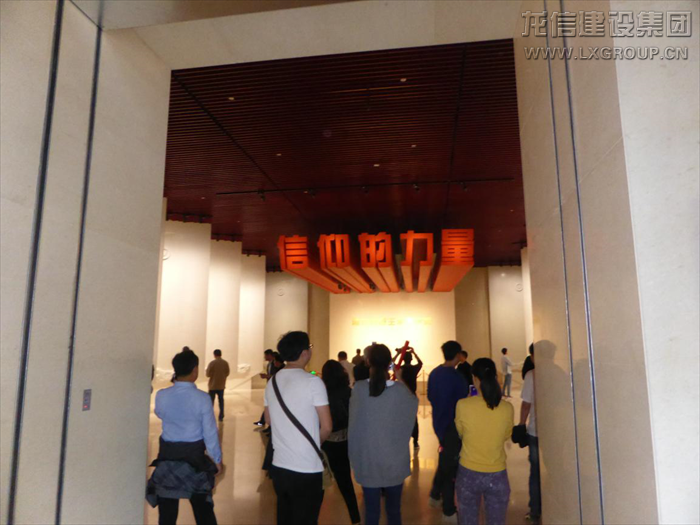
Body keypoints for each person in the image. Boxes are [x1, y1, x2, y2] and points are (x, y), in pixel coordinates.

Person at [147, 348, 222, 525]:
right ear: (195, 370)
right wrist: (216, 459)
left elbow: (160, 413)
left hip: (168, 458)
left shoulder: (162, 395)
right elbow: (210, 432)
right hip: (194, 460)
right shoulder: (202, 398)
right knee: (202, 509)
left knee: (167, 511)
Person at [264, 331, 332, 525]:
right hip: (307, 467)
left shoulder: (272, 382)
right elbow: (327, 426)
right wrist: (313, 443)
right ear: (304, 353)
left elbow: (268, 420)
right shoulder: (313, 382)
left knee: (285, 517)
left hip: (280, 465)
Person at [348, 344, 418, 525]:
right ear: (389, 363)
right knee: (394, 511)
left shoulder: (359, 389)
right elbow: (412, 406)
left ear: (367, 361)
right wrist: (400, 378)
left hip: (368, 460)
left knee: (371, 512)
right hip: (394, 461)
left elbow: (354, 425)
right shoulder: (400, 390)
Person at [455, 358, 514, 525]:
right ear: (495, 377)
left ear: (474, 378)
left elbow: (461, 433)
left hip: (468, 472)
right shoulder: (507, 408)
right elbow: (506, 435)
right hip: (497, 473)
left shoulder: (463, 405)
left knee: (467, 519)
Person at [427, 341, 469, 523]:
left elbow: (430, 396)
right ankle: (449, 510)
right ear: (458, 354)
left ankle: (435, 493)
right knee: (450, 468)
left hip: (439, 423)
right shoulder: (458, 377)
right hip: (453, 427)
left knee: (446, 460)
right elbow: (464, 401)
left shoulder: (434, 373)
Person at [321, 360, 362, 525]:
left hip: (326, 441)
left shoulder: (323, 393)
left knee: (321, 483)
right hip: (345, 441)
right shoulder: (349, 392)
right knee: (345, 483)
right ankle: (355, 518)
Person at [520, 348, 540, 522]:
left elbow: (526, 404)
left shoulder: (531, 375)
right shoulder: (558, 371)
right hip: (556, 431)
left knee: (535, 471)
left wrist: (521, 424)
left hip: (535, 430)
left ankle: (535, 510)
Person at [394, 347, 422, 449]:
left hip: (402, 395)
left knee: (402, 417)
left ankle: (403, 438)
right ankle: (415, 440)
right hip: (412, 395)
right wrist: (414, 352)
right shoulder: (414, 369)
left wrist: (398, 354)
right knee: (414, 419)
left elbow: (391, 364)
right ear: (411, 359)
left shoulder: (400, 369)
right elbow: (420, 362)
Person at [206, 349, 230, 421]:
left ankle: (210, 415)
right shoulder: (225, 363)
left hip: (212, 385)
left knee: (211, 402)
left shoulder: (212, 363)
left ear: (214, 355)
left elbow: (208, 374)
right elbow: (227, 373)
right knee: (221, 401)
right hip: (221, 385)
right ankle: (221, 415)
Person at [255, 349, 275, 427]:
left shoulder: (274, 364)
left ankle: (264, 422)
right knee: (269, 404)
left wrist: (266, 376)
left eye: (265, 355)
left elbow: (275, 375)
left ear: (269, 355)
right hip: (270, 386)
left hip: (273, 387)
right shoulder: (269, 364)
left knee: (270, 405)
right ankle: (263, 421)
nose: (264, 357)